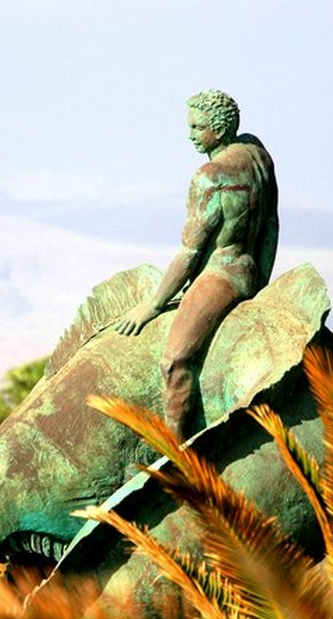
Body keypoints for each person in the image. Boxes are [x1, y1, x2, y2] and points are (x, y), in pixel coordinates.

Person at [114, 89, 279, 441]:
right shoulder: (258, 155)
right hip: (250, 270)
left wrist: (153, 305)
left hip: (221, 275)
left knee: (174, 361)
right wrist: (262, 281)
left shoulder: (209, 175)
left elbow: (189, 254)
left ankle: (175, 454)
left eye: (196, 127)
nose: (189, 135)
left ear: (218, 131)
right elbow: (270, 226)